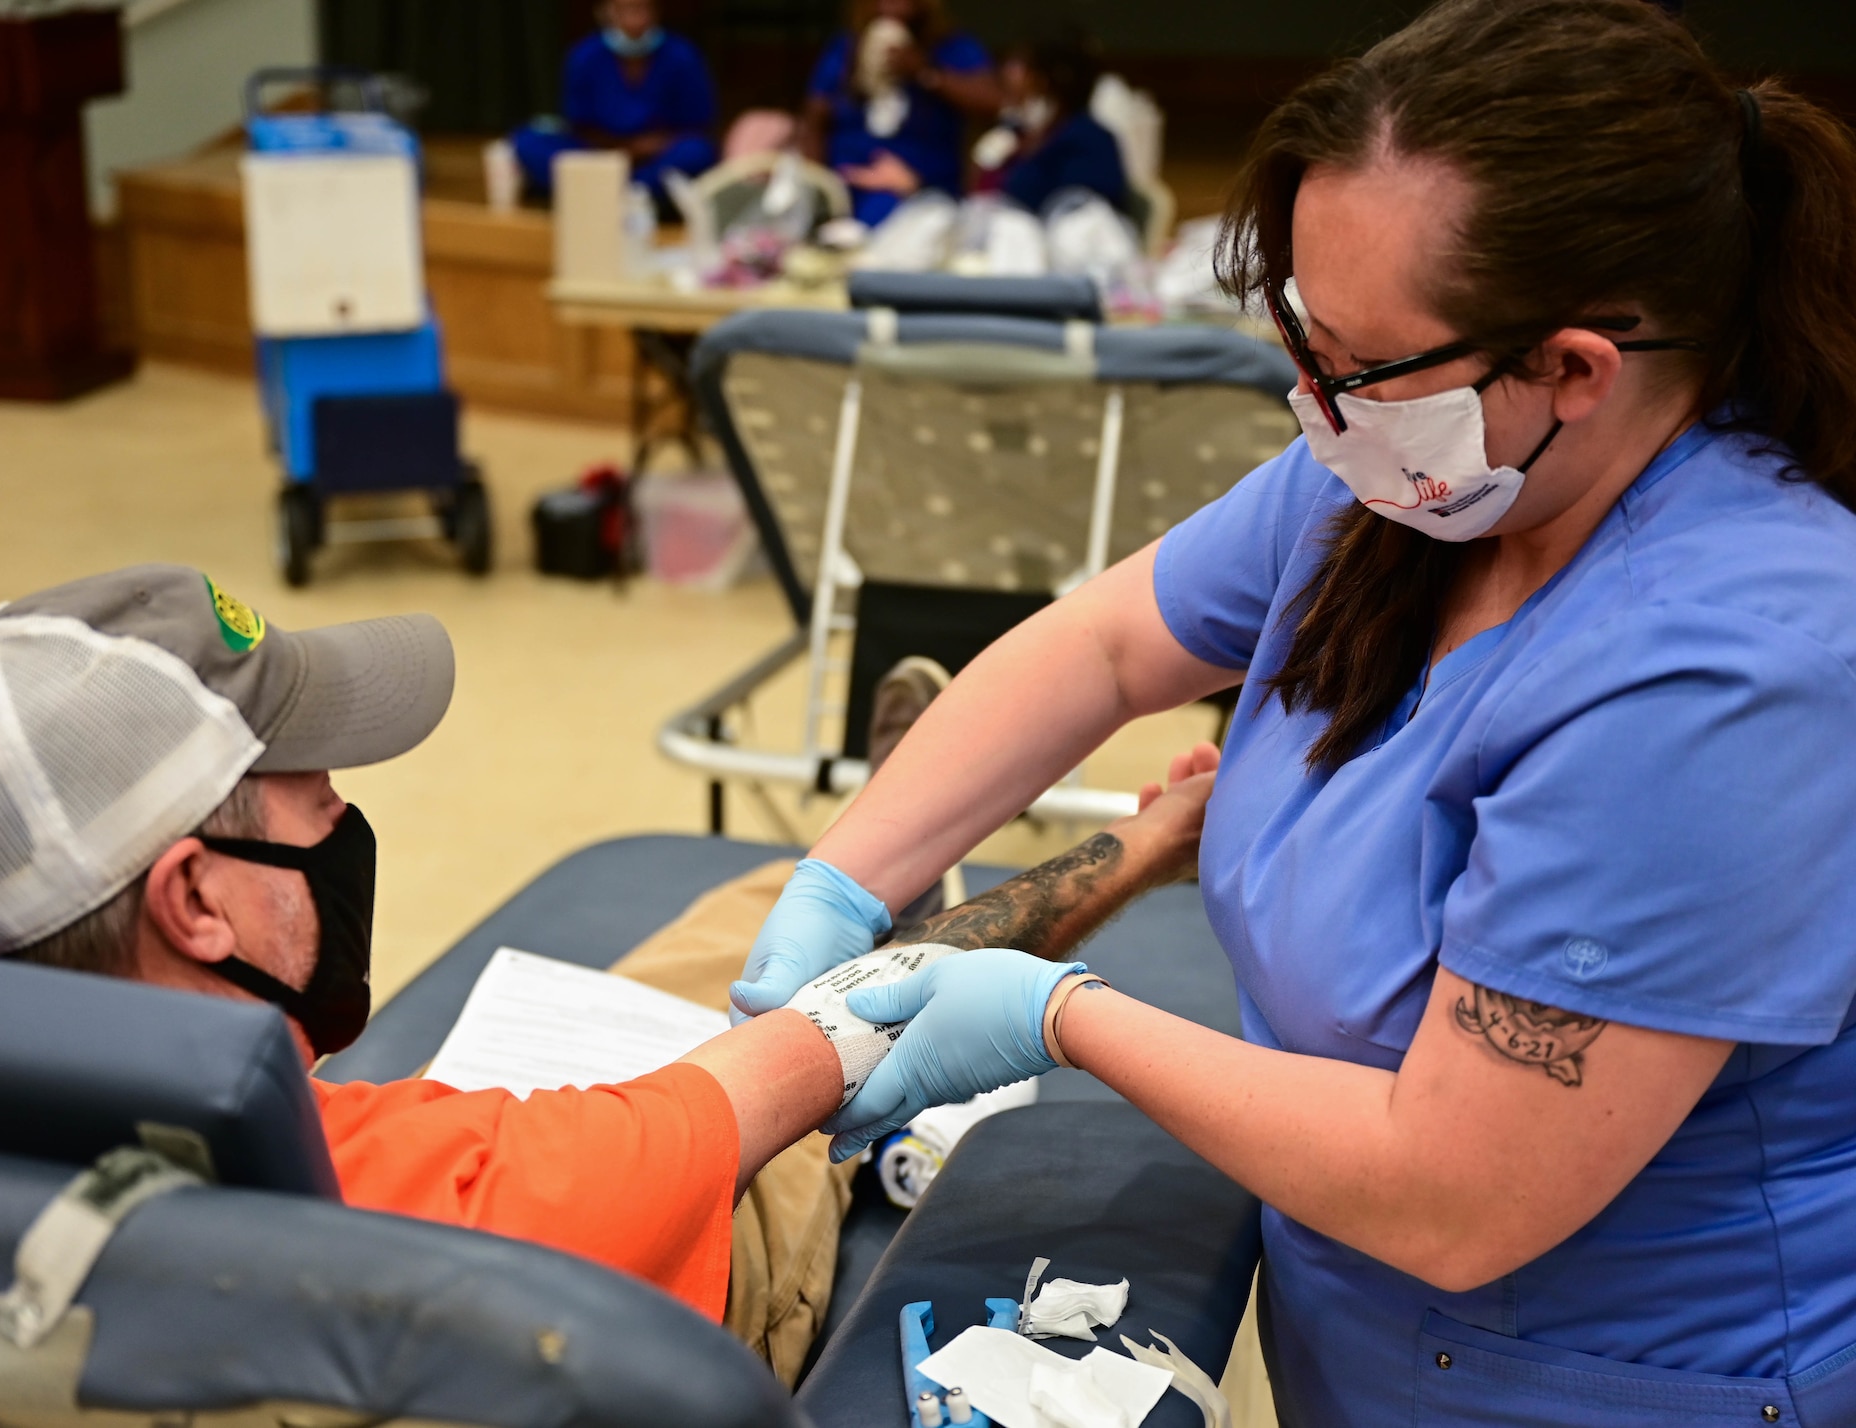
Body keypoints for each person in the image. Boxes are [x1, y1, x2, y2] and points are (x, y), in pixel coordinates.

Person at [731, 0, 1856, 1421]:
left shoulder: (1721, 677)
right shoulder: (1404, 480)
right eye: (1302, 336)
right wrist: (844, 878)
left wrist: (1057, 1016)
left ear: (1574, 368)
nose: (1312, 403)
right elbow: (1105, 643)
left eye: (1359, 365)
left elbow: (1459, 1194)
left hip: (1614, 1378)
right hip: (1368, 1330)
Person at [0, 564, 1211, 1380]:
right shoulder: (483, 1190)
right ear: (195, 899)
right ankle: (910, 854)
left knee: (753, 914)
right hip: (669, 1251)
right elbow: (845, 1026)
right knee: (826, 962)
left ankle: (861, 834)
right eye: (301, 788)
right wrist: (1148, 844)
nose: (340, 807)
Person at [798, 0, 999, 226]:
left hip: (920, 193)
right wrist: (820, 191)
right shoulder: (844, 49)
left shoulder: (952, 48)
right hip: (847, 190)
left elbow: (993, 103)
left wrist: (925, 73)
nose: (892, 7)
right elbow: (814, 121)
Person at [511, 0, 717, 201]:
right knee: (528, 140)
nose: (634, 19)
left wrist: (642, 150)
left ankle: (613, 191)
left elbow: (697, 123)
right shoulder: (584, 55)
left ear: (656, 11)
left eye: (641, 8)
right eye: (624, 9)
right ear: (605, 12)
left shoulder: (682, 55)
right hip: (597, 153)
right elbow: (577, 122)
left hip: (656, 157)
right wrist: (617, 152)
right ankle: (622, 191)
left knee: (697, 152)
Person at [974, 33, 1128, 217]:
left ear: (1044, 80)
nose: (1006, 72)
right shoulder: (1020, 132)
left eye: (1021, 66)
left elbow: (1078, 221)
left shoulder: (1088, 141)